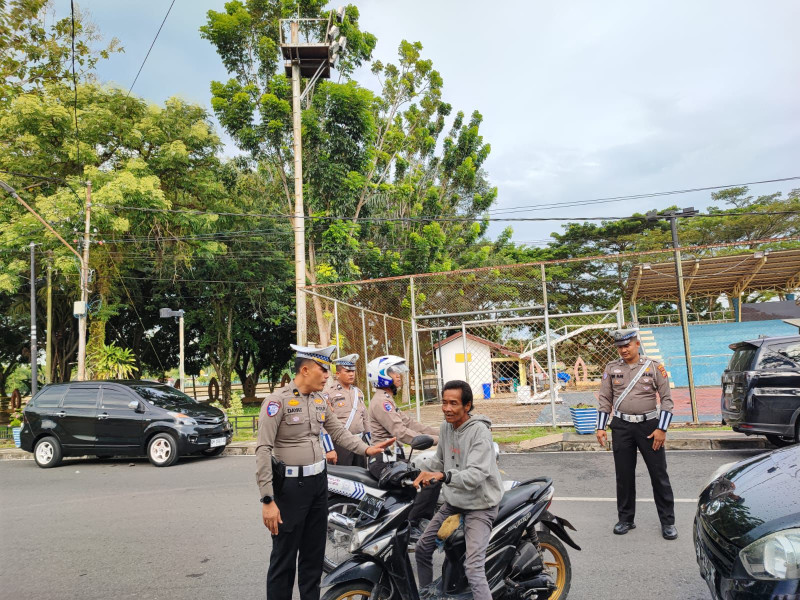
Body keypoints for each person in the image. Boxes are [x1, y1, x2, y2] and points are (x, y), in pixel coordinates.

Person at [255, 344, 396, 600]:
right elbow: (263, 450)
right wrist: (267, 500)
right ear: (306, 369)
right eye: (323, 369)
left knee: (313, 557)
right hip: (289, 489)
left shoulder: (320, 400)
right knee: (283, 560)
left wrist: (368, 450)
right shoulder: (277, 402)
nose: (327, 375)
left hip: (318, 484)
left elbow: (340, 433)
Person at [414, 380, 503, 600]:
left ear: (467, 405)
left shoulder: (479, 432)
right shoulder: (446, 427)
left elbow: (475, 475)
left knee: (473, 568)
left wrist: (443, 476)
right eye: (444, 403)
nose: (447, 408)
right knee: (422, 549)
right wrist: (412, 472)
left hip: (480, 506)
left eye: (453, 403)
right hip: (455, 503)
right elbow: (439, 462)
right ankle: (427, 596)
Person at [595, 328, 678, 540]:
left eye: (627, 345)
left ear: (637, 344)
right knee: (623, 475)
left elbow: (666, 399)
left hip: (649, 427)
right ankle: (625, 519)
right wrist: (601, 427)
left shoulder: (654, 366)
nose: (623, 350)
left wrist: (662, 428)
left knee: (659, 475)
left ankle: (668, 522)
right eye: (620, 347)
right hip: (622, 426)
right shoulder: (611, 368)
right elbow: (605, 399)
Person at [366, 355, 440, 538]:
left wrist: (442, 433)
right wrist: (435, 441)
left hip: (392, 459)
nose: (398, 376)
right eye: (393, 372)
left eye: (398, 372)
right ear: (381, 375)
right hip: (384, 461)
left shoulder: (387, 400)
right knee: (427, 481)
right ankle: (414, 525)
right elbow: (401, 432)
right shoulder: (382, 402)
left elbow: (411, 424)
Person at [321, 353, 370, 467]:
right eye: (347, 371)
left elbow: (365, 419)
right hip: (341, 445)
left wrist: (370, 443)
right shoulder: (328, 394)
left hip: (359, 441)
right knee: (343, 480)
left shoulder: (358, 392)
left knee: (361, 476)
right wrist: (329, 449)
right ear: (338, 374)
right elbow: (324, 425)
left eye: (352, 371)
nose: (351, 374)